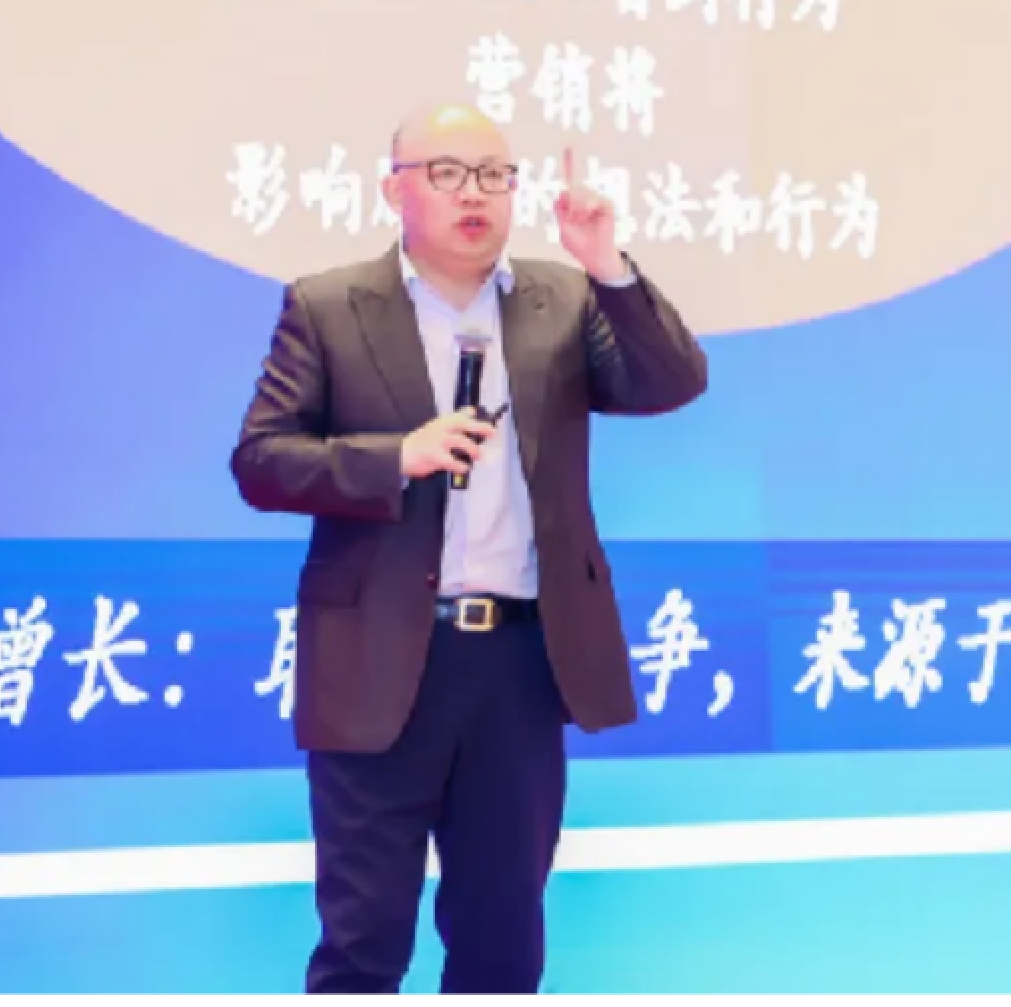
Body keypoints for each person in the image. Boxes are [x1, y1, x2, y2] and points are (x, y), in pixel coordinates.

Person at [230, 103, 708, 994]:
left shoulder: (561, 299)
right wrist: (393, 458)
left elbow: (671, 381)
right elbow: (261, 460)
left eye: (494, 175)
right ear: (394, 191)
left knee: (503, 940)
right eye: (447, 173)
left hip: (518, 663)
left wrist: (606, 263)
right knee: (364, 940)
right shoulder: (329, 307)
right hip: (378, 661)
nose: (474, 194)